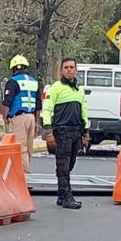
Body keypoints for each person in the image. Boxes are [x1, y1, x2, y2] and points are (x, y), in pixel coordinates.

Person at [41, 57, 89, 209]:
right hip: (62, 131)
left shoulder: (79, 90)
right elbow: (47, 108)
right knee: (63, 164)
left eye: (71, 67)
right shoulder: (55, 88)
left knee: (71, 163)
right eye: (66, 67)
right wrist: (48, 131)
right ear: (61, 70)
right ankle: (66, 195)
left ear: (76, 70)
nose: (69, 70)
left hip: (76, 132)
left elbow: (84, 111)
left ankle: (62, 194)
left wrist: (85, 132)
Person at [0, 54, 42, 173]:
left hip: (18, 118)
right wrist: (37, 122)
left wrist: (5, 117)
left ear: (13, 68)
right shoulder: (34, 82)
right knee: (28, 148)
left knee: (20, 147)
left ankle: (23, 174)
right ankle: (26, 170)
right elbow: (38, 104)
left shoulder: (13, 81)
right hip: (31, 117)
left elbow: (8, 101)